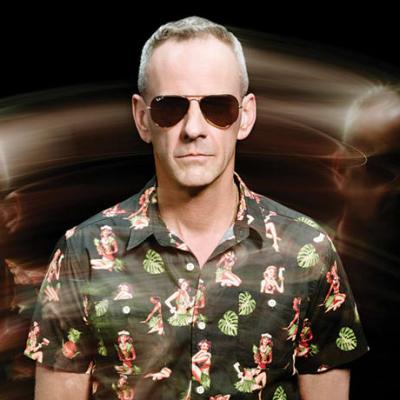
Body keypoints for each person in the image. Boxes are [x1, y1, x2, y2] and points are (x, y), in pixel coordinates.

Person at [24, 16, 369, 399]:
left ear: (246, 116)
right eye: (169, 107)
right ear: (142, 118)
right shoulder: (83, 253)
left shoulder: (308, 251)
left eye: (217, 107)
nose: (193, 128)